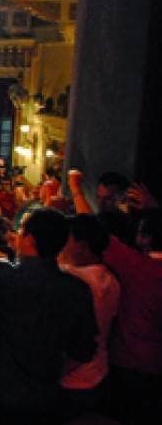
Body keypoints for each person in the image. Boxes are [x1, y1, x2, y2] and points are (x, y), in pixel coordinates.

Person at [0, 207, 98, 424]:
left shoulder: (3, 275)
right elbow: (84, 351)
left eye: (20, 231)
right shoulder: (77, 290)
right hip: (43, 399)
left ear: (29, 239)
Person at [70, 170, 162, 424]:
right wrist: (154, 210)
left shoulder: (138, 268)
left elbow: (95, 231)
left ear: (144, 238)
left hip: (127, 365)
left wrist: (75, 189)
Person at [58, 213, 121, 420]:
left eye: (64, 239)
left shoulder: (72, 279)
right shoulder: (111, 280)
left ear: (81, 246)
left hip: (68, 380)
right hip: (98, 373)